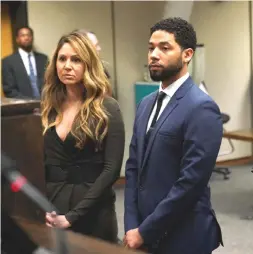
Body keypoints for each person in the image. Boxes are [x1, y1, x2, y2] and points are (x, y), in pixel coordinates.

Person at [123, 17, 223, 254]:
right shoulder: (146, 104)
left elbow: (190, 184)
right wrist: (131, 226)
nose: (154, 55)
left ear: (187, 54)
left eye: (164, 48)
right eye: (151, 48)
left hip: (183, 235)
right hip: (142, 232)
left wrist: (144, 232)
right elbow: (133, 167)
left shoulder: (202, 107)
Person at [41, 31, 125, 243]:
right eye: (62, 59)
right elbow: (43, 163)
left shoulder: (107, 107)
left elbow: (111, 170)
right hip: (53, 206)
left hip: (93, 209)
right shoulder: (49, 107)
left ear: (88, 64)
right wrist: (40, 207)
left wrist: (72, 217)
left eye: (76, 59)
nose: (67, 66)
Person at [2, 26, 48, 99]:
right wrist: (30, 103)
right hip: (22, 107)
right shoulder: (8, 61)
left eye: (29, 35)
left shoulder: (43, 59)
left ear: (32, 38)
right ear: (17, 39)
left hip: (46, 104)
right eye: (23, 35)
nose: (26, 38)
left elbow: (50, 83)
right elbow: (9, 90)